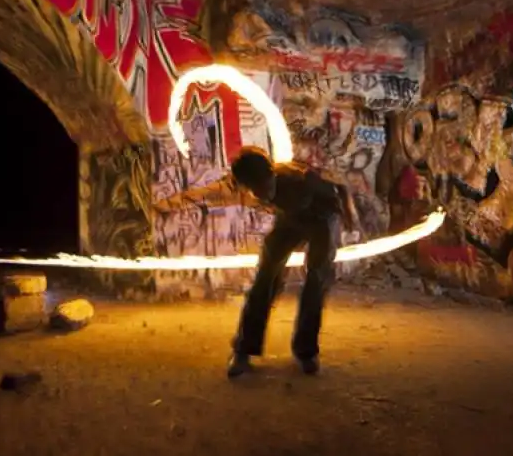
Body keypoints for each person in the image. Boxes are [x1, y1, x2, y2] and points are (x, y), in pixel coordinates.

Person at [153, 146, 361, 377]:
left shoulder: (300, 179)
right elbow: (210, 193)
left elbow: (340, 188)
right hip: (290, 219)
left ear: (272, 173)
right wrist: (169, 203)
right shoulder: (246, 186)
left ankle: (306, 352)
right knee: (264, 279)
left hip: (322, 217)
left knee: (316, 281)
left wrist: (351, 215)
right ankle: (244, 349)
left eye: (265, 186)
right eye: (256, 190)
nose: (263, 193)